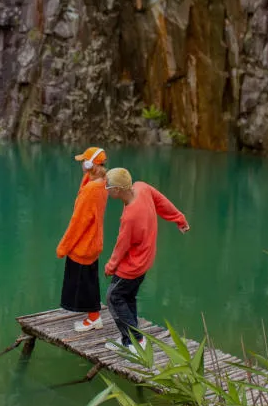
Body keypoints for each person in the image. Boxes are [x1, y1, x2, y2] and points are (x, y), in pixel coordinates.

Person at [102, 167, 189, 353]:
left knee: (114, 297)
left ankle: (134, 342)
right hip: (145, 261)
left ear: (117, 190)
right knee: (128, 297)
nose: (105, 189)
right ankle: (132, 338)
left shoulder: (130, 216)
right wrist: (179, 219)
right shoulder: (142, 188)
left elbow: (121, 246)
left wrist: (110, 266)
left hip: (132, 266)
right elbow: (162, 202)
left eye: (107, 186)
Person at [56, 147, 109, 332]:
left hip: (83, 245)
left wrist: (63, 247)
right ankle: (94, 317)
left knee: (85, 284)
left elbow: (78, 222)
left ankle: (93, 319)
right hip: (93, 242)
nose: (81, 164)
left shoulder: (91, 190)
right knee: (89, 281)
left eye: (83, 161)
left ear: (89, 164)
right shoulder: (101, 183)